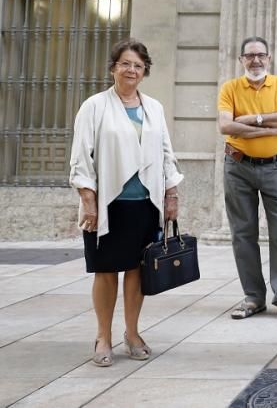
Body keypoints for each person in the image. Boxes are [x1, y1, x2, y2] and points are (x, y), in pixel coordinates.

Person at [70, 38, 183, 367]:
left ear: (145, 71)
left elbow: (166, 155)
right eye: (125, 64)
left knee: (137, 271)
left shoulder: (154, 108)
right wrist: (88, 201)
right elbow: (81, 158)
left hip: (145, 204)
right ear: (113, 68)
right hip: (107, 205)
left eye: (138, 65)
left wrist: (171, 195)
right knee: (105, 271)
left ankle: (132, 333)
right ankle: (103, 336)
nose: (131, 70)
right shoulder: (94, 106)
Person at [217, 36, 277, 324]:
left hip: (275, 167)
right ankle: (253, 297)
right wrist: (267, 127)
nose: (255, 60)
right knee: (243, 234)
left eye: (260, 55)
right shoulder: (230, 88)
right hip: (237, 167)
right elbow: (226, 126)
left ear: (269, 58)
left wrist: (249, 122)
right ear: (241, 59)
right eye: (250, 56)